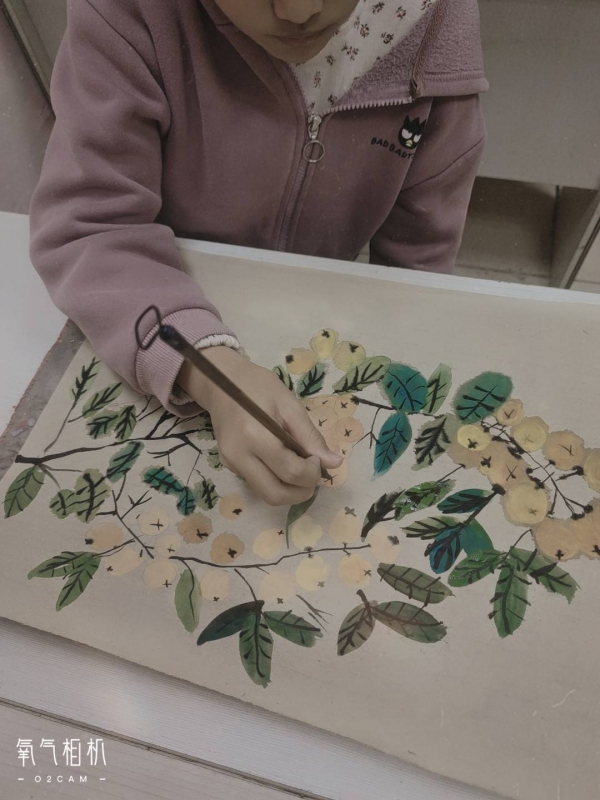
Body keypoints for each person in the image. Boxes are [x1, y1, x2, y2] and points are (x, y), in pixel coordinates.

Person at [29, 0, 488, 506]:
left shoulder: (434, 21)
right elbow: (93, 228)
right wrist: (210, 372)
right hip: (153, 315)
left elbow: (418, 268)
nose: (299, 10)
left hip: (316, 325)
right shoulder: (127, 12)